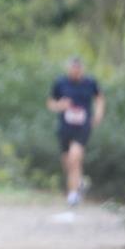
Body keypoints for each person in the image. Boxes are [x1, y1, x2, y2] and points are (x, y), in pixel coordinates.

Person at [47, 57, 105, 206]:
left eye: (78, 69)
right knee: (68, 162)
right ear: (69, 69)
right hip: (65, 127)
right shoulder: (60, 83)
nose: (75, 71)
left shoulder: (90, 83)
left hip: (83, 126)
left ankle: (72, 195)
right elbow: (51, 103)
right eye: (73, 68)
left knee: (74, 157)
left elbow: (99, 99)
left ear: (82, 69)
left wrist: (98, 115)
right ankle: (79, 182)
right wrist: (60, 105)